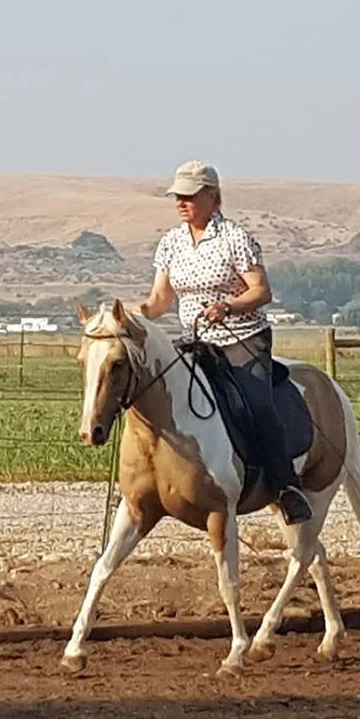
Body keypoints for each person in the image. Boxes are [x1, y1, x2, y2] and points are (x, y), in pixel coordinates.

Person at [136, 159, 313, 525]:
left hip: (242, 340)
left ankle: (284, 486)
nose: (181, 203)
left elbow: (261, 291)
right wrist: (133, 315)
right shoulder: (171, 243)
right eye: (178, 196)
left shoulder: (235, 238)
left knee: (257, 404)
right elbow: (160, 299)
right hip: (193, 342)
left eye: (189, 196)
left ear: (213, 197)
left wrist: (228, 306)